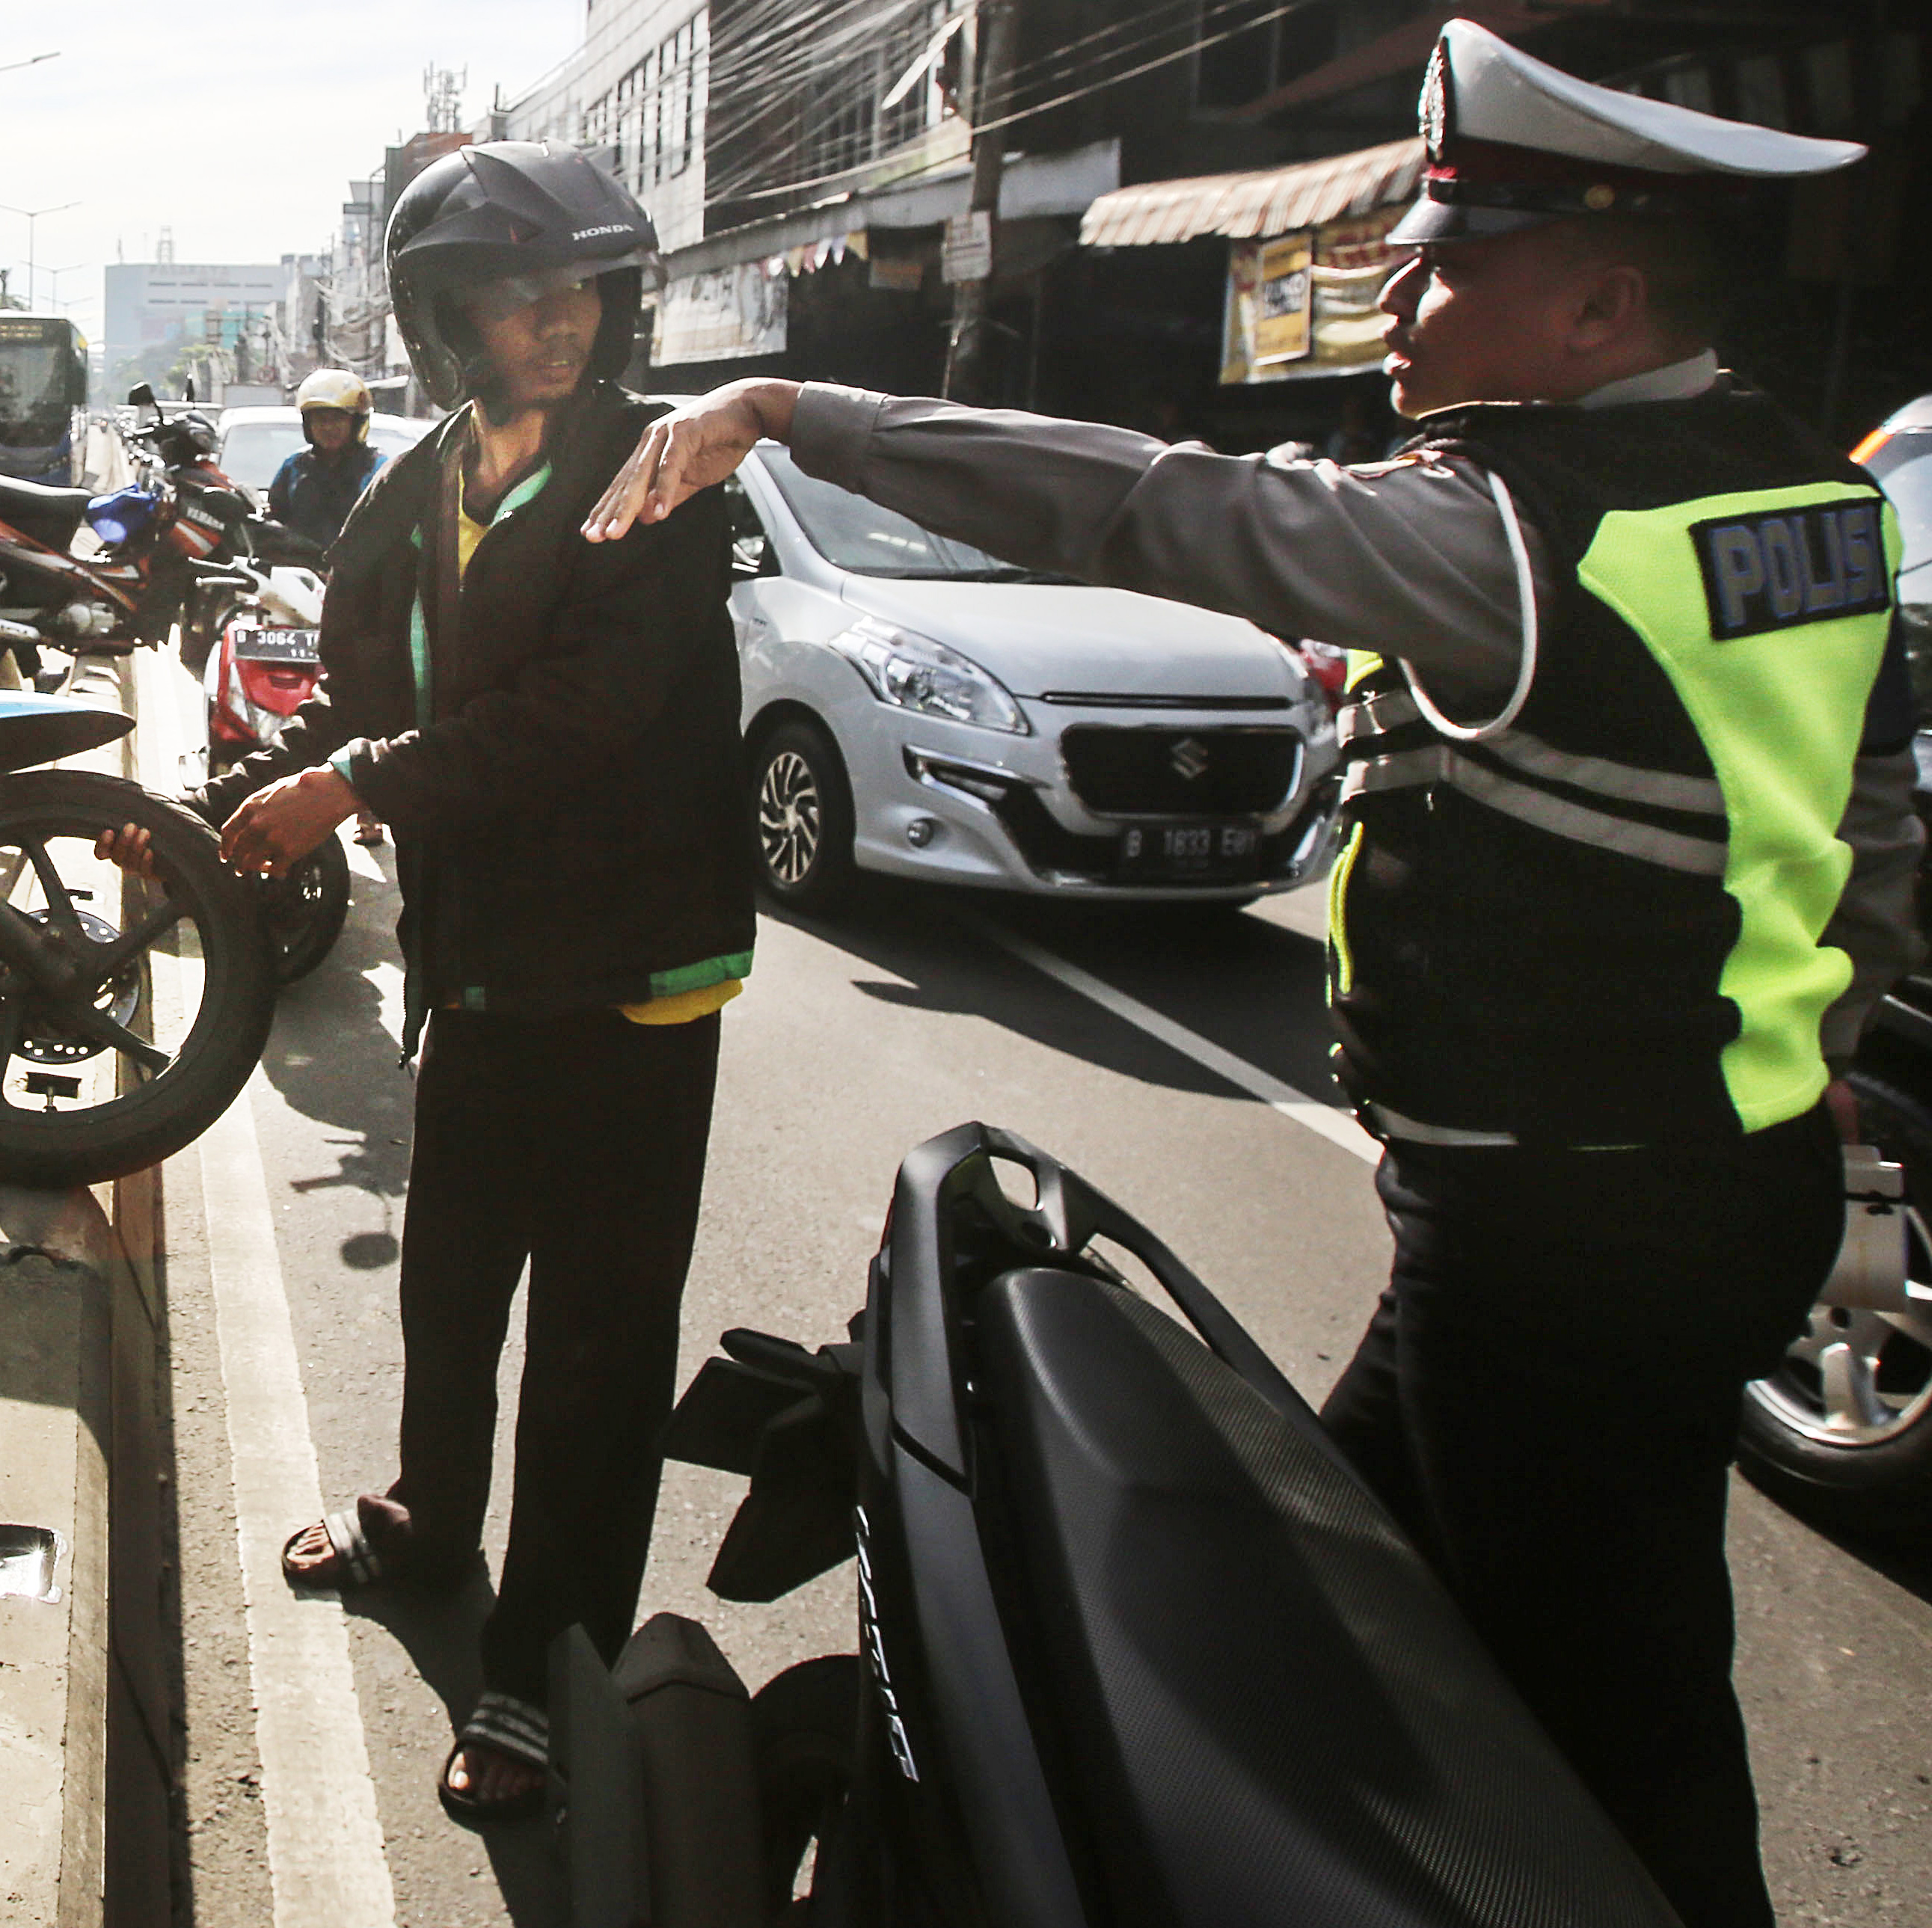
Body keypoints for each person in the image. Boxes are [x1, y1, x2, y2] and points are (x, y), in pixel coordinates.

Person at [585, 24, 1907, 1924]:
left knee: (1627, 1739)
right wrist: (1821, 1058)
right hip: (1709, 1183)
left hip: (1564, 1229)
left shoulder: (1520, 531)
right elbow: (1866, 843)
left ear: (1600, 303)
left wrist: (804, 411)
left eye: (1447, 261)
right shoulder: (1811, 509)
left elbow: (1154, 503)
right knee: (1328, 1573)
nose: (1393, 287)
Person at [177, 141, 747, 1823]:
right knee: (450, 1270)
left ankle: (543, 1656)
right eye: (515, 296)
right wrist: (235, 813)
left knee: (594, 1335)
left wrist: (347, 790)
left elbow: (588, 710)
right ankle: (429, 1514)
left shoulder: (653, 472)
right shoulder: (420, 476)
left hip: (635, 968)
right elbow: (346, 679)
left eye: (578, 290)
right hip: (483, 957)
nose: (556, 322)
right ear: (444, 321)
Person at [268, 367, 384, 550]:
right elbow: (275, 520)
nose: (328, 428)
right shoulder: (294, 466)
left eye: (337, 419)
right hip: (299, 572)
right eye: (320, 420)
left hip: (359, 575)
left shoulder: (377, 469)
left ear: (357, 423)